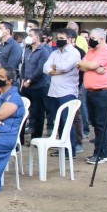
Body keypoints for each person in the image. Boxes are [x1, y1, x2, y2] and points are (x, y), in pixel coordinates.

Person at [43, 28, 82, 156]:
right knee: (58, 121)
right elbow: (45, 67)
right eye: (58, 38)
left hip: (68, 92)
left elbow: (65, 67)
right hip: (54, 91)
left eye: (62, 38)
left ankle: (70, 150)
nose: (59, 40)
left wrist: (54, 68)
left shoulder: (74, 53)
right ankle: (61, 147)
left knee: (67, 121)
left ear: (71, 39)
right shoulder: (54, 53)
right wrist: (55, 69)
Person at [78, 28, 107, 165]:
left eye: (93, 38)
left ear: (102, 39)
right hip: (91, 91)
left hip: (103, 91)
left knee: (101, 124)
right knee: (95, 122)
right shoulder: (91, 51)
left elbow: (88, 64)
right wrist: (93, 67)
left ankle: (101, 153)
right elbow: (80, 65)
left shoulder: (106, 51)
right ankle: (100, 151)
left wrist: (90, 66)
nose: (90, 40)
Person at [20, 27, 52, 140]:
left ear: (37, 37)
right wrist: (23, 79)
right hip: (26, 85)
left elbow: (41, 68)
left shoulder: (44, 51)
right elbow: (24, 65)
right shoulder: (27, 49)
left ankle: (36, 137)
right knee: (23, 110)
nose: (28, 37)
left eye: (31, 35)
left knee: (38, 112)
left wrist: (30, 80)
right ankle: (20, 137)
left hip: (39, 86)